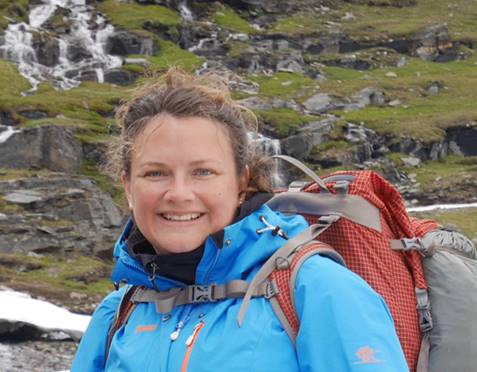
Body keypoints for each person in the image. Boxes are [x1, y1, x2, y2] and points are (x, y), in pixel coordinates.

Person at [71, 68, 408, 371]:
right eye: (155, 173)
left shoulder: (317, 291)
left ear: (241, 183)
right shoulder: (116, 314)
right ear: (127, 185)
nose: (178, 193)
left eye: (203, 172)